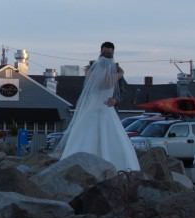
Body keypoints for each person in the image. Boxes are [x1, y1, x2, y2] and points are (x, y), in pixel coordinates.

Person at [56, 42, 140, 171]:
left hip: (95, 108)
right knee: (114, 137)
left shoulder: (91, 71)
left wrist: (116, 98)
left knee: (83, 137)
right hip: (105, 109)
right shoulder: (115, 73)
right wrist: (120, 73)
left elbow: (112, 88)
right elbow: (107, 85)